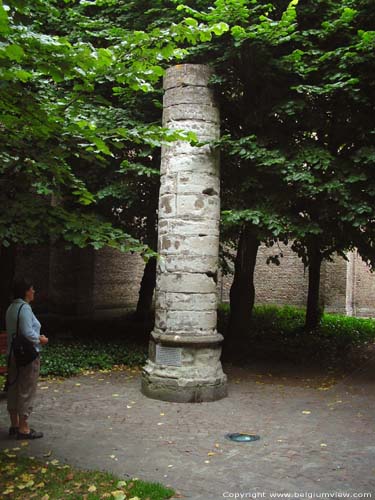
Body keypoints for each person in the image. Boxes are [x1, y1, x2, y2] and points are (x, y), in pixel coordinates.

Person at [5, 278, 48, 439]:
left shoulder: (10, 308)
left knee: (14, 388)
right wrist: (41, 339)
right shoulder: (25, 308)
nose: (34, 291)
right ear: (25, 292)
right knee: (26, 390)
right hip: (27, 356)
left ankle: (14, 424)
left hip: (12, 355)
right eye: (32, 288)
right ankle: (24, 428)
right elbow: (27, 333)